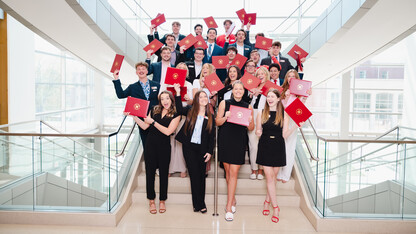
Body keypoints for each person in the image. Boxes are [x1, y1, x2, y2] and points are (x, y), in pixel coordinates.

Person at [128, 91, 180, 214]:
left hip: (164, 147)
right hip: (150, 145)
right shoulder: (154, 109)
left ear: (171, 99)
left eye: (167, 98)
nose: (165, 101)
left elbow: (168, 132)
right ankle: (151, 200)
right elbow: (145, 126)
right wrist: (133, 116)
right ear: (160, 101)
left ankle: (162, 200)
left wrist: (153, 122)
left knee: (163, 174)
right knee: (150, 174)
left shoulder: (176, 114)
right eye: (162, 99)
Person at [256, 88, 302, 223]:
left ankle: (266, 201)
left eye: (272, 96)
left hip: (278, 147)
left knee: (273, 178)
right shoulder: (261, 113)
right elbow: (258, 130)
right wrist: (258, 132)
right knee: (269, 177)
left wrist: (295, 126)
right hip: (264, 146)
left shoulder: (284, 114)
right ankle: (275, 207)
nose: (269, 98)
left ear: (278, 99)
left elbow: (285, 135)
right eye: (268, 96)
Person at [173, 83, 215, 213]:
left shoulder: (211, 117)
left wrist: (209, 151)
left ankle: (200, 203)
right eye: (200, 97)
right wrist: (178, 93)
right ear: (196, 99)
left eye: (205, 96)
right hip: (189, 148)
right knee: (194, 176)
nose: (203, 99)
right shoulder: (190, 110)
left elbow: (212, 136)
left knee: (201, 177)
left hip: (202, 150)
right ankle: (198, 204)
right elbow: (179, 109)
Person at [216, 81, 255, 221]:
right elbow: (217, 122)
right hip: (225, 139)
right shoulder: (224, 103)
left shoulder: (248, 106)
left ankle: (228, 207)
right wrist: (225, 117)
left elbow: (251, 128)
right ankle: (233, 199)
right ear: (232, 90)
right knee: (228, 172)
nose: (238, 91)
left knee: (233, 173)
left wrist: (250, 120)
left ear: (244, 91)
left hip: (239, 141)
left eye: (241, 89)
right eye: (236, 88)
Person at [112, 62, 160, 146]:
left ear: (147, 71)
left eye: (143, 69)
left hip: (156, 117)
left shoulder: (156, 85)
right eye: (139, 69)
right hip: (141, 120)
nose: (141, 71)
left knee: (158, 144)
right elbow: (121, 95)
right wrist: (116, 79)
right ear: (136, 72)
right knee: (146, 144)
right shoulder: (132, 87)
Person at [277, 69, 311, 183]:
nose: (290, 78)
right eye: (289, 76)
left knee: (290, 148)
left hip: (293, 120)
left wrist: (306, 96)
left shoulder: (300, 91)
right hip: (284, 118)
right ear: (286, 78)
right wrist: (286, 97)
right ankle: (280, 172)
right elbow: (283, 106)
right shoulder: (283, 91)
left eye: (293, 76)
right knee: (282, 147)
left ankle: (286, 174)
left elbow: (301, 107)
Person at [168, 62, 193, 178]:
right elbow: (161, 97)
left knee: (181, 142)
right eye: (179, 68)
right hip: (171, 115)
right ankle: (170, 168)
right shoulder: (168, 82)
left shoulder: (189, 84)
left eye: (184, 69)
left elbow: (193, 102)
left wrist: (189, 100)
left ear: (187, 72)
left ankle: (182, 168)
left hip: (183, 116)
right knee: (170, 143)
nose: (182, 70)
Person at [247, 66, 270, 180]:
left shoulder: (270, 88)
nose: (260, 75)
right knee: (253, 145)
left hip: (265, 115)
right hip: (253, 115)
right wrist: (252, 94)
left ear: (267, 75)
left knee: (263, 145)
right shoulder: (251, 87)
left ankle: (261, 170)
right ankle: (253, 169)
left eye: (263, 73)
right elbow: (246, 102)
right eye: (258, 74)